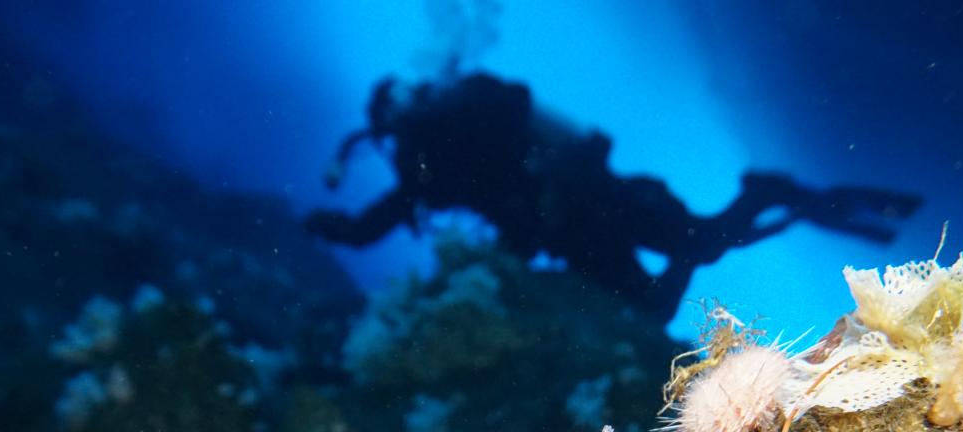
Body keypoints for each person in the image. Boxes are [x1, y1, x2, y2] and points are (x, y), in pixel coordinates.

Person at [307, 72, 922, 318]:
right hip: (574, 229)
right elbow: (374, 223)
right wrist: (328, 228)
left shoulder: (446, 138)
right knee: (662, 297)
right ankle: (772, 196)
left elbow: (374, 222)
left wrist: (329, 227)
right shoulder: (435, 161)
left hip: (594, 201)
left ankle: (767, 193)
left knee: (698, 250)